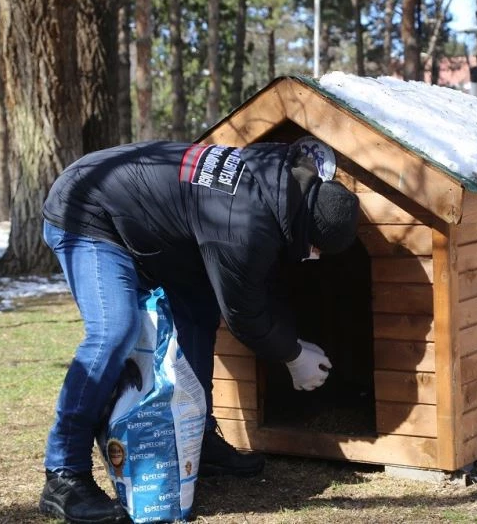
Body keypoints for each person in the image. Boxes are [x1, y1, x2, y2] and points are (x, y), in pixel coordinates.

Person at [38, 140, 360, 523]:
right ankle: (63, 474)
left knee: (199, 312)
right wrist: (293, 355)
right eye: (315, 249)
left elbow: (258, 282)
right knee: (114, 330)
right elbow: (244, 311)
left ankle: (194, 438)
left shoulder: (275, 177)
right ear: (306, 230)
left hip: (140, 210)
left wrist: (290, 342)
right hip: (86, 209)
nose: (314, 258)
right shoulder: (243, 225)